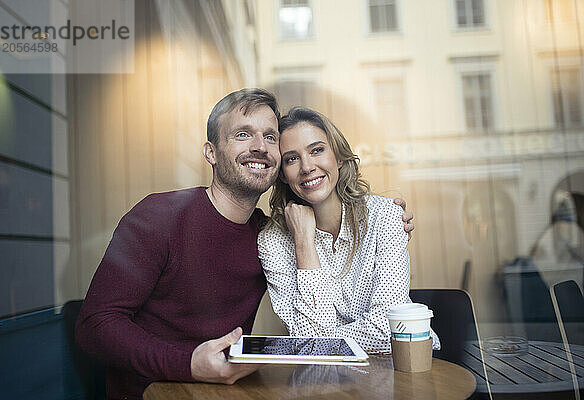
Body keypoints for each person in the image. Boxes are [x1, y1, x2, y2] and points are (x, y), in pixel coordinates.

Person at [75, 89, 415, 400]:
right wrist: (188, 364)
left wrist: (381, 221)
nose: (260, 147)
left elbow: (325, 327)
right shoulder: (159, 217)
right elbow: (94, 325)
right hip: (153, 393)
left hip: (230, 392)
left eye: (269, 137)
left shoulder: (266, 235)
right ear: (211, 152)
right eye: (242, 134)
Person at [258, 107, 439, 353]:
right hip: (324, 380)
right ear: (282, 175)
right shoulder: (274, 241)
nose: (307, 167)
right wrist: (304, 245)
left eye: (317, 150)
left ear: (339, 157)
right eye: (292, 158)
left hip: (401, 365)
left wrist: (323, 341)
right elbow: (308, 341)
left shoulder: (385, 216)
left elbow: (388, 329)